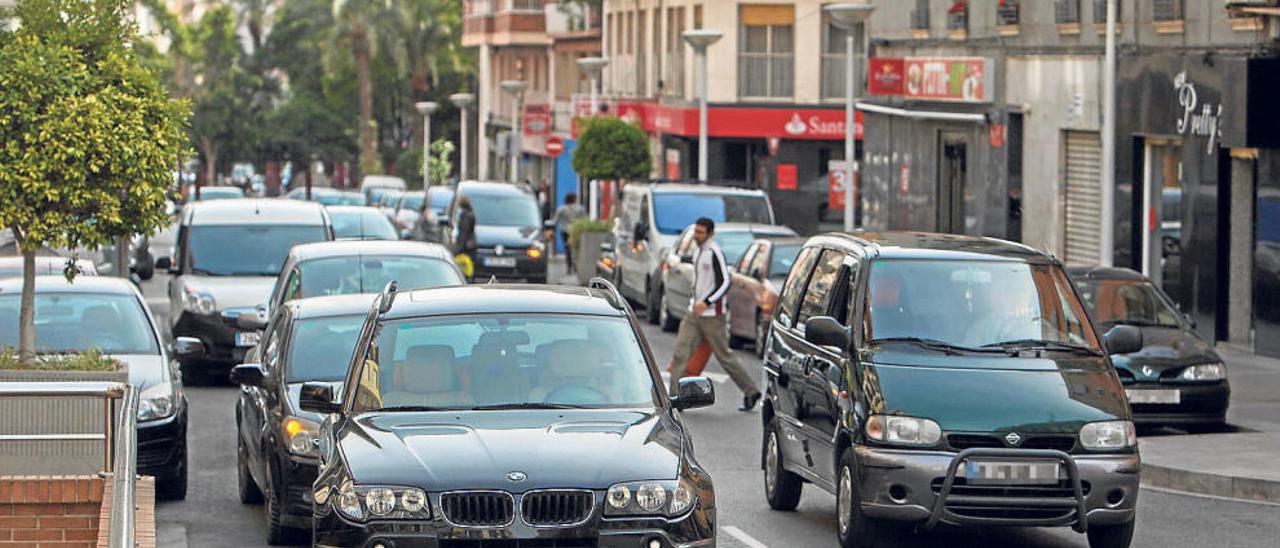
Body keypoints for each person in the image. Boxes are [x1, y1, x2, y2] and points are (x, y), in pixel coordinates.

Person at [668, 217, 762, 411]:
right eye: (696, 232)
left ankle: (751, 391)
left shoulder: (714, 252)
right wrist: (696, 301)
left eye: (701, 233)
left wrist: (707, 302)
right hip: (693, 313)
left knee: (724, 356)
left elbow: (725, 282)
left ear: (710, 234)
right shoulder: (698, 252)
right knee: (680, 354)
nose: (697, 236)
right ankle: (673, 399)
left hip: (712, 316)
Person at [553, 193, 586, 273]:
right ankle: (575, 266)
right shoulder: (580, 208)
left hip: (564, 231)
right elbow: (584, 219)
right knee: (575, 249)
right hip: (576, 231)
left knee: (567, 249)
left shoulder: (561, 209)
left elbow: (555, 220)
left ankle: (569, 267)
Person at [454, 196, 478, 278]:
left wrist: (458, 249)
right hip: (472, 244)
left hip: (466, 246)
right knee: (470, 267)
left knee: (463, 267)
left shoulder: (464, 215)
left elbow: (463, 232)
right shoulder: (471, 213)